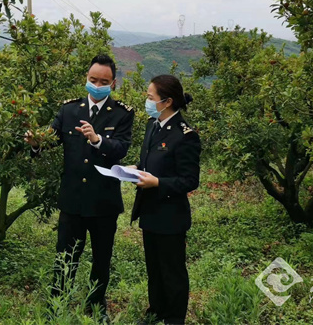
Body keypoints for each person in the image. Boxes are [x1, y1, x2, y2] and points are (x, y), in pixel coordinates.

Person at [25, 54, 134, 318]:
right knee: (64, 257)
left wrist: (98, 141)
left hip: (103, 201)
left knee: (101, 259)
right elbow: (50, 139)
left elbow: (121, 148)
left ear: (113, 83)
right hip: (72, 199)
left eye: (104, 82)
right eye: (93, 79)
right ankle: (57, 307)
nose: (97, 85)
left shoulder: (122, 113)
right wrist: (36, 143)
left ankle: (96, 307)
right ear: (86, 78)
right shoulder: (69, 110)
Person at [131, 74, 201, 325]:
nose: (147, 101)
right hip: (149, 210)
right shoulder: (153, 125)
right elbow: (150, 162)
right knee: (154, 268)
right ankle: (156, 310)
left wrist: (158, 183)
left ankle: (174, 318)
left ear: (167, 101)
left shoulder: (185, 135)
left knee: (172, 271)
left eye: (151, 97)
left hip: (170, 215)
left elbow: (190, 180)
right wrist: (135, 169)